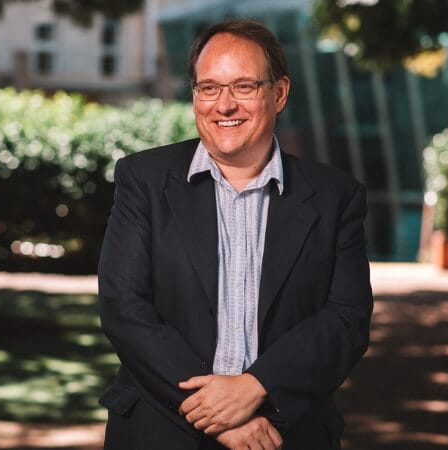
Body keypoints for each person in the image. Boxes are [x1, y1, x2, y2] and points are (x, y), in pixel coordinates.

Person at [97, 19, 373, 450]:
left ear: (279, 93)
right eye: (208, 88)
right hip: (161, 431)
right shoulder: (144, 180)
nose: (223, 105)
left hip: (285, 434)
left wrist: (258, 386)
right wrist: (222, 417)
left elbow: (345, 319)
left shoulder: (335, 198)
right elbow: (124, 307)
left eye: (243, 86)